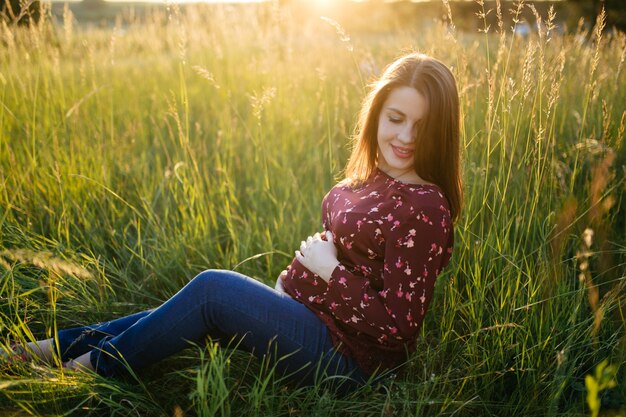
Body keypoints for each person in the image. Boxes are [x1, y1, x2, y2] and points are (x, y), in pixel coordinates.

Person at [2, 52, 462, 391]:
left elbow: (400, 327)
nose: (404, 137)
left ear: (439, 132)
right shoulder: (373, 178)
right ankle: (37, 353)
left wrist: (329, 273)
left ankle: (85, 372)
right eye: (395, 119)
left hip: (353, 363)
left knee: (212, 290)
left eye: (420, 128)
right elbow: (349, 254)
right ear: (376, 115)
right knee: (172, 315)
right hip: (311, 321)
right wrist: (294, 283)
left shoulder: (424, 206)